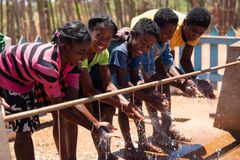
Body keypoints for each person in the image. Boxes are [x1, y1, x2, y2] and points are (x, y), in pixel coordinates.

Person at [0, 21, 115, 160]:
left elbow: (73, 101)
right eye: (81, 52)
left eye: (86, 51)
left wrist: (96, 124)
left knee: (28, 127)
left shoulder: (74, 62)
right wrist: (94, 128)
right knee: (23, 130)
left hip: (27, 77)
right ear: (65, 47)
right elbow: (61, 108)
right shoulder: (47, 66)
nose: (84, 57)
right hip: (8, 74)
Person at [74, 15, 143, 160]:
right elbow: (89, 90)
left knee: (110, 109)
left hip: (90, 79)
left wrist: (125, 102)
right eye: (98, 36)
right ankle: (102, 155)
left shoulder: (104, 52)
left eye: (107, 38)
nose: (103, 42)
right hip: (73, 83)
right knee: (91, 111)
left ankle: (106, 152)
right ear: (89, 33)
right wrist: (123, 105)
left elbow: (108, 84)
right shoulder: (83, 53)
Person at [108, 18, 170, 159]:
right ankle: (128, 145)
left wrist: (149, 91)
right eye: (144, 43)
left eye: (149, 46)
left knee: (138, 107)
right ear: (134, 35)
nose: (146, 49)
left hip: (127, 85)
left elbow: (135, 77)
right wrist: (150, 97)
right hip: (114, 88)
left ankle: (142, 142)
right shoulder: (121, 51)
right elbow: (123, 84)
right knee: (124, 111)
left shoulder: (136, 51)